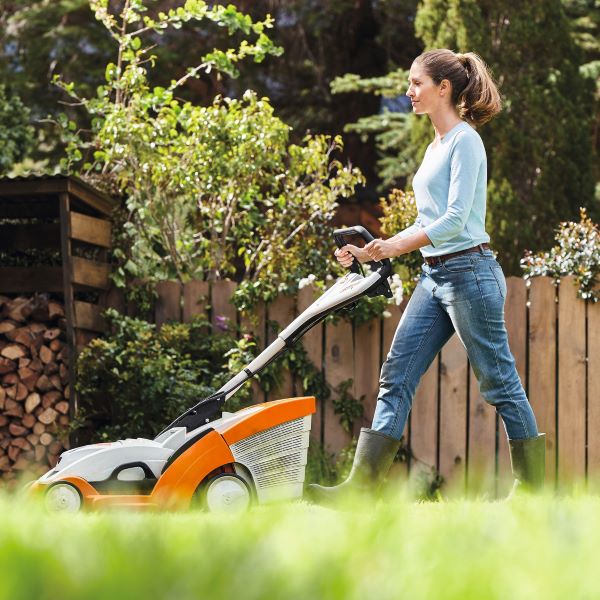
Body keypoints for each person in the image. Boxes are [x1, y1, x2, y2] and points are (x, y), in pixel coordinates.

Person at [308, 49, 545, 504]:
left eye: (417, 83)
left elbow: (454, 220)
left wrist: (396, 247)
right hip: (434, 276)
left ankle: (534, 494)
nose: (409, 91)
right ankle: (361, 491)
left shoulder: (465, 141)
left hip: (470, 274)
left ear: (444, 88)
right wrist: (372, 248)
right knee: (396, 374)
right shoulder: (435, 147)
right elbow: (426, 220)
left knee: (499, 383)